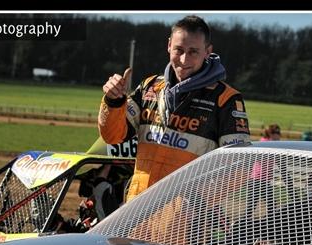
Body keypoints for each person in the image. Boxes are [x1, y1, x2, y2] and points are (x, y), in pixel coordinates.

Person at [98, 15, 251, 202]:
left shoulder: (225, 99)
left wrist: (197, 201)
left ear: (207, 52)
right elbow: (113, 136)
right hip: (136, 209)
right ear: (169, 45)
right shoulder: (149, 87)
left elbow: (240, 166)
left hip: (184, 223)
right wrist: (114, 101)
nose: (184, 59)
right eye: (179, 49)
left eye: (194, 51)